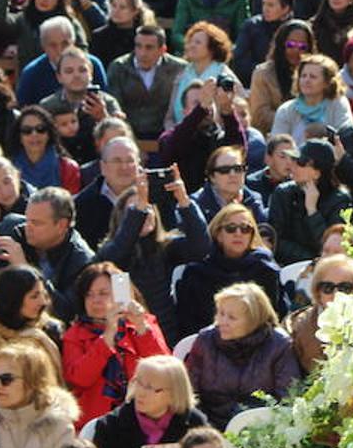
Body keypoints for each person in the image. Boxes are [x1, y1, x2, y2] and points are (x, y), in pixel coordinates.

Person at [94, 173, 210, 343]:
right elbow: (115, 258)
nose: (144, 213)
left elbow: (201, 248)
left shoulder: (165, 247)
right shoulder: (110, 251)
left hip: (163, 336)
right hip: (124, 337)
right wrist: (137, 215)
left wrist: (184, 201)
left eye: (147, 208)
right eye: (136, 209)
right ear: (123, 217)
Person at [85, 355, 208, 448]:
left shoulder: (194, 423)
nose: (141, 392)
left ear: (174, 394)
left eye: (150, 387)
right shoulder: (111, 425)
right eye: (138, 382)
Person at [184, 280, 300, 431]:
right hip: (209, 428)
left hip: (258, 429)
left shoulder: (279, 345)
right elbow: (189, 393)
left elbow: (287, 398)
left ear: (254, 320)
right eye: (221, 313)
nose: (222, 322)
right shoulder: (205, 340)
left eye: (232, 317)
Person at [62, 262, 169, 426]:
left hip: (145, 416)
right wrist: (107, 338)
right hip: (95, 422)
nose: (95, 301)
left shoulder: (142, 324)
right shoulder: (74, 335)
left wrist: (141, 328)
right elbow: (79, 379)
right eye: (89, 295)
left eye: (103, 293)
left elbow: (165, 369)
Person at [0, 187, 96, 324]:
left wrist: (25, 269)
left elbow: (66, 312)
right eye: (27, 219)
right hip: (2, 320)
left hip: (48, 331)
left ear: (61, 225)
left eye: (36, 223)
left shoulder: (82, 261)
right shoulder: (14, 229)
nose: (28, 227)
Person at [174, 204, 285, 338]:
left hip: (258, 344)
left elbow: (275, 316)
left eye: (245, 229)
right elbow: (187, 323)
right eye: (231, 228)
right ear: (218, 234)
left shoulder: (265, 269)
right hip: (210, 344)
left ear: (252, 235)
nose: (238, 233)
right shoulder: (196, 273)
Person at [267, 139, 352, 265]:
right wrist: (309, 259)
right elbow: (275, 239)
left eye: (300, 162)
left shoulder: (340, 200)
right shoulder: (283, 193)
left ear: (317, 173)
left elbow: (331, 245)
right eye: (294, 160)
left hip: (326, 266)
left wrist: (312, 211)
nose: (292, 165)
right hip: (287, 266)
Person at [0, 264, 64, 376]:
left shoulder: (50, 330)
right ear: (13, 300)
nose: (43, 302)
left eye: (43, 294)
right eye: (34, 296)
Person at [106, 25, 186, 142]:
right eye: (138, 46)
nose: (142, 53)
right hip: (128, 134)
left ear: (162, 50)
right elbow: (115, 107)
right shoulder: (118, 67)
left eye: (149, 48)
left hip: (166, 135)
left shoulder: (179, 69)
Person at [287, 254, 353, 373]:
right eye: (328, 287)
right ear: (317, 291)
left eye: (345, 288)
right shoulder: (295, 326)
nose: (336, 294)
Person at [247, 19, 315, 135]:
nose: (296, 51)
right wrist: (296, 120)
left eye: (302, 47)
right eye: (290, 45)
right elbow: (259, 116)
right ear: (281, 44)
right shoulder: (263, 73)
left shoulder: (316, 73)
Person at [269, 53, 353, 145]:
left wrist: (326, 132)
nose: (307, 80)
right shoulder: (286, 110)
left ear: (327, 83)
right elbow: (276, 147)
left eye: (313, 77)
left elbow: (347, 137)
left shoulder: (338, 104)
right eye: (303, 76)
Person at [191, 146, 267, 228]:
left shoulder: (254, 201)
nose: (232, 174)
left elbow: (262, 237)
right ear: (212, 176)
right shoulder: (196, 204)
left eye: (238, 169)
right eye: (224, 170)